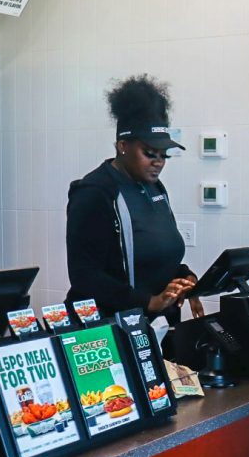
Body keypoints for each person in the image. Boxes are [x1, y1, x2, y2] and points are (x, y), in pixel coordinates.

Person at [65, 75, 201, 323]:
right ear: (122, 145)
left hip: (157, 322)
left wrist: (184, 277)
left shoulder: (155, 188)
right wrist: (148, 302)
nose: (158, 162)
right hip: (112, 325)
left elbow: (156, 255)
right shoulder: (94, 192)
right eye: (149, 153)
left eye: (163, 155)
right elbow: (85, 276)